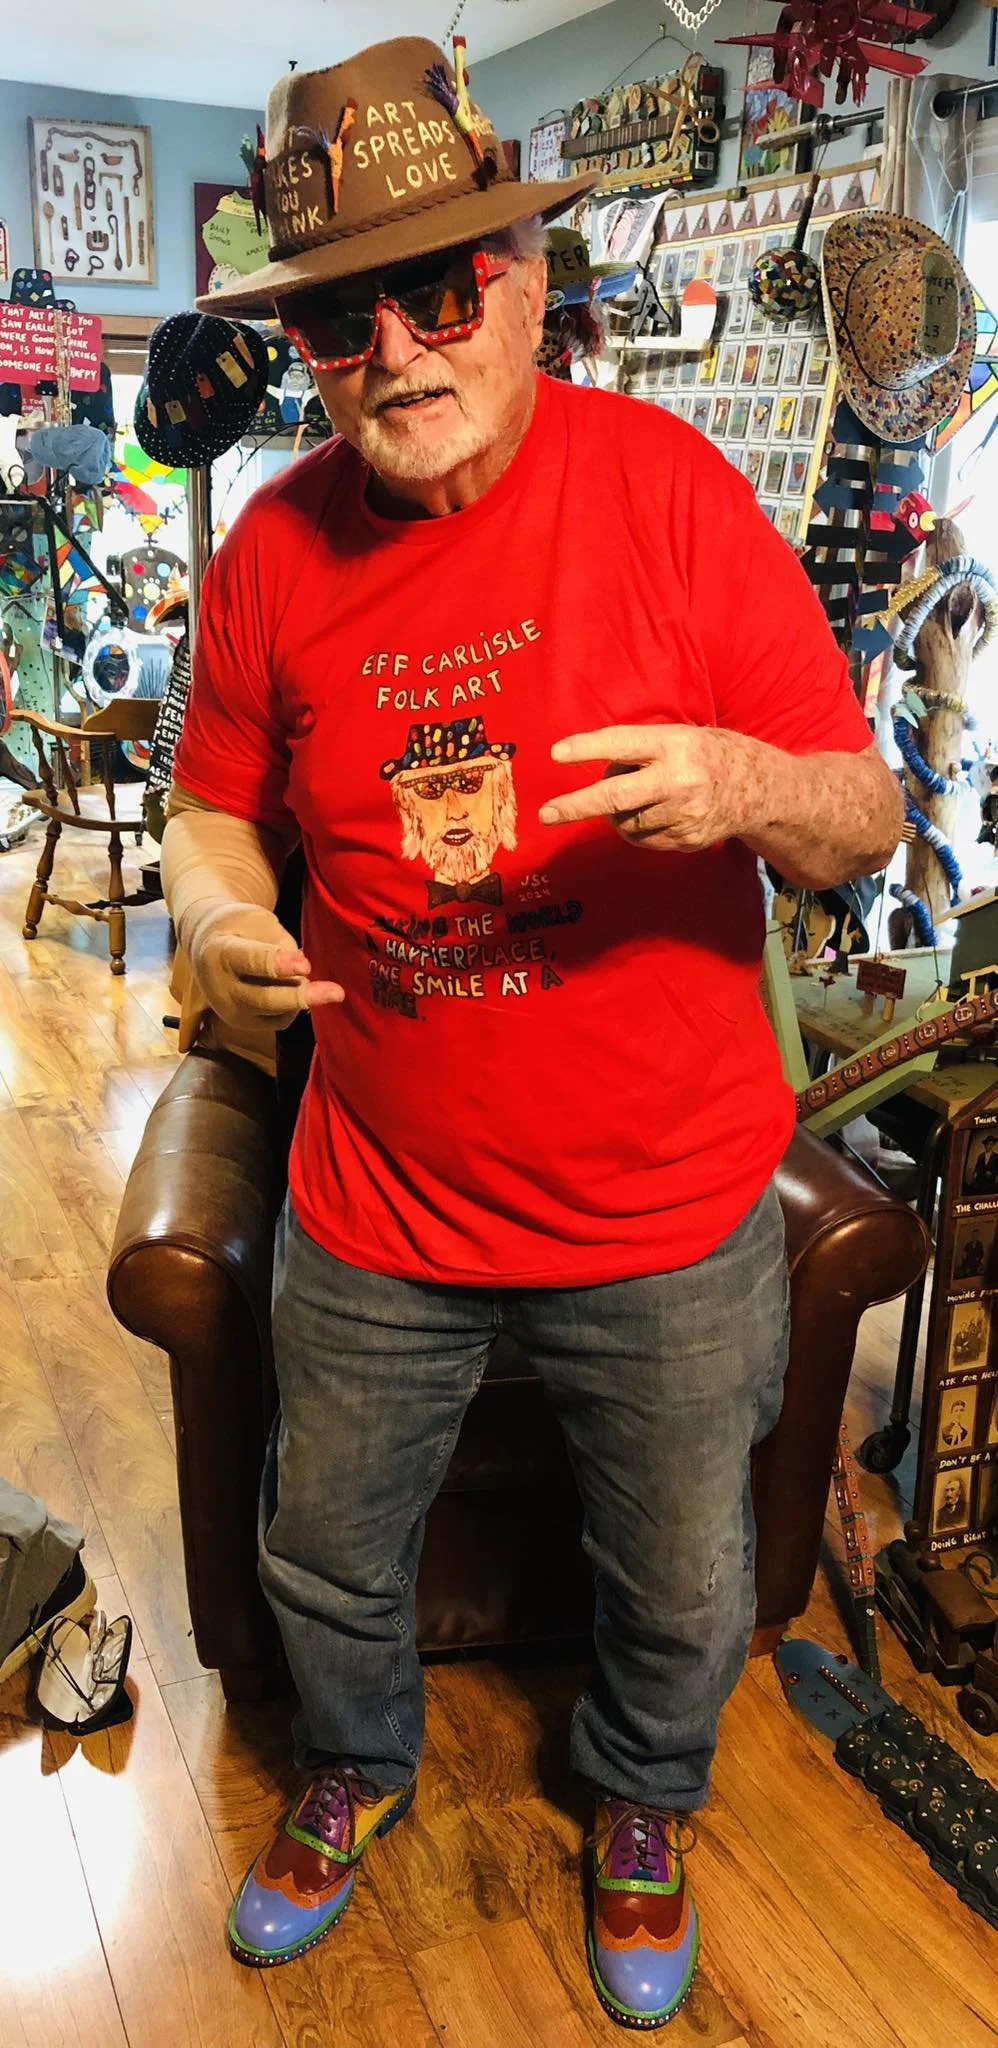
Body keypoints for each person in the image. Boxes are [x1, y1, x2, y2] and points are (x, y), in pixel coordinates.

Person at [161, 35, 903, 2031]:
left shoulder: (670, 494)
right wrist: (219, 916)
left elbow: (864, 813)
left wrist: (742, 782)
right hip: (377, 1202)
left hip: (662, 1212)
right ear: (305, 348)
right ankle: (352, 1763)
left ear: (521, 278)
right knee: (322, 1550)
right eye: (341, 318)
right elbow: (211, 810)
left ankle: (643, 1797)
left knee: (681, 1576)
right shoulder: (273, 549)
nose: (396, 350)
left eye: (435, 291)